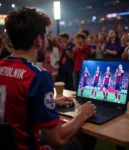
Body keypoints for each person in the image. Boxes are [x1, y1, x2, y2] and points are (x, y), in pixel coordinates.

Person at [0, 7, 96, 150]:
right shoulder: (37, 75)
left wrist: (51, 102)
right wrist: (82, 114)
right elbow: (57, 140)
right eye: (46, 38)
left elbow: (13, 101)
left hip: (8, 142)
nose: (47, 41)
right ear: (39, 41)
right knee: (81, 140)